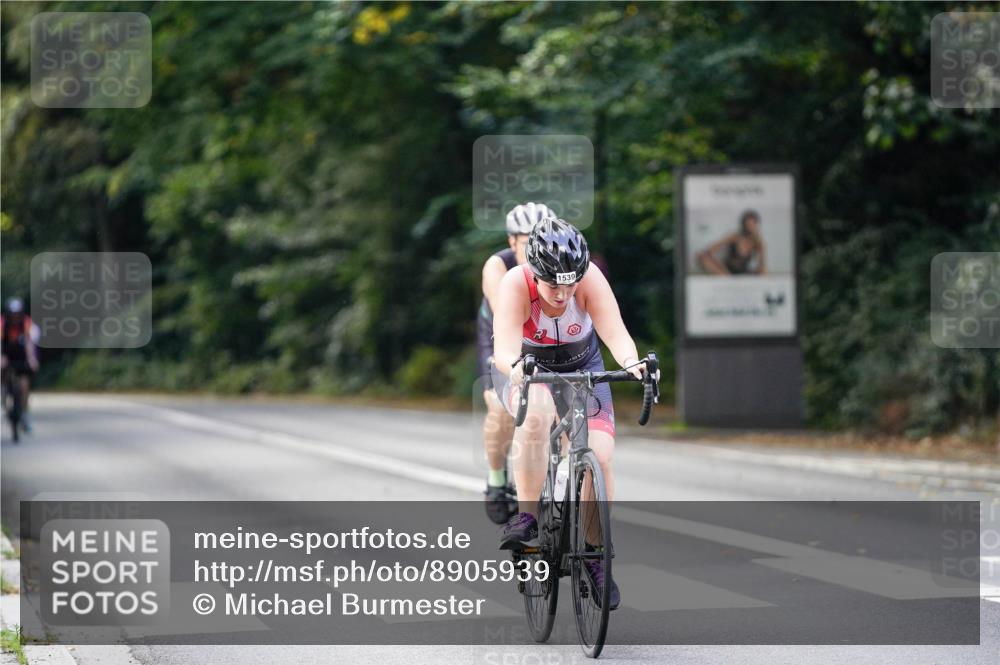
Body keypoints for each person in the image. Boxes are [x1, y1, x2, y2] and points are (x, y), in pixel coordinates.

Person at [491, 217, 646, 610]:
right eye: (553, 285)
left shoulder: (588, 277)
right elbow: (505, 348)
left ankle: (595, 556)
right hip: (529, 367)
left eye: (569, 283)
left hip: (585, 365)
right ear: (535, 273)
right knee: (539, 411)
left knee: (602, 455)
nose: (562, 294)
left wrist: (632, 363)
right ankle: (526, 519)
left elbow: (615, 332)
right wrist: (518, 369)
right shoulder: (516, 283)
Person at [480, 202, 556, 525]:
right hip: (501, 333)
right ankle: (496, 481)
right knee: (501, 407)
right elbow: (507, 316)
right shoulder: (497, 266)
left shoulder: (555, 261)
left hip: (541, 333)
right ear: (512, 242)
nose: (536, 248)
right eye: (527, 242)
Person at [1, 298, 40, 431]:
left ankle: (24, 414)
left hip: (21, 356)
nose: (15, 317)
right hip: (6, 354)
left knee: (24, 385)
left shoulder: (26, 323)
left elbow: (29, 343)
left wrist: (32, 359)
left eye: (17, 314)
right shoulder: (2, 324)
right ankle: (3, 396)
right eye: (13, 314)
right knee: (2, 372)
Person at [696, 209, 767, 276]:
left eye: (752, 225)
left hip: (744, 272)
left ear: (756, 225)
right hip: (727, 271)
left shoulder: (758, 242)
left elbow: (761, 265)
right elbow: (711, 249)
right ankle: (726, 278)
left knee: (763, 273)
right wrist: (718, 264)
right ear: (743, 225)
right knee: (702, 257)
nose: (749, 227)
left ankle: (730, 279)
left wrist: (760, 245)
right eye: (747, 225)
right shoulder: (735, 237)